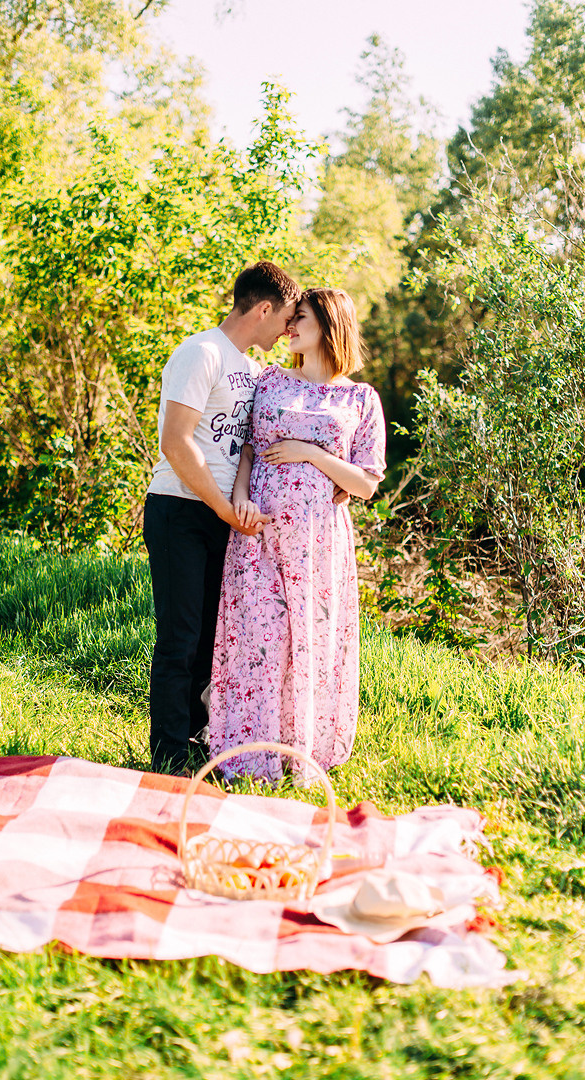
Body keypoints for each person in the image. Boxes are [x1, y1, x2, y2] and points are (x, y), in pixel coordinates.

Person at [209, 287, 386, 781]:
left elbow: (366, 483)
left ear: (329, 325)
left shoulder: (359, 399)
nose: (289, 327)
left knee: (309, 640)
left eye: (300, 318)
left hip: (319, 545)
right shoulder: (269, 382)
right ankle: (246, 757)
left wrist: (313, 455)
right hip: (260, 533)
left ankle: (300, 752)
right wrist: (240, 497)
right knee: (260, 637)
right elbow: (246, 450)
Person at [143, 261, 301, 774]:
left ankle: (194, 741)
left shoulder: (256, 371)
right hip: (181, 510)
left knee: (213, 637)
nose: (288, 331)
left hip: (223, 516)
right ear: (263, 309)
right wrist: (221, 506)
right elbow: (175, 442)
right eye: (285, 320)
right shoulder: (200, 352)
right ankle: (168, 755)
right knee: (180, 638)